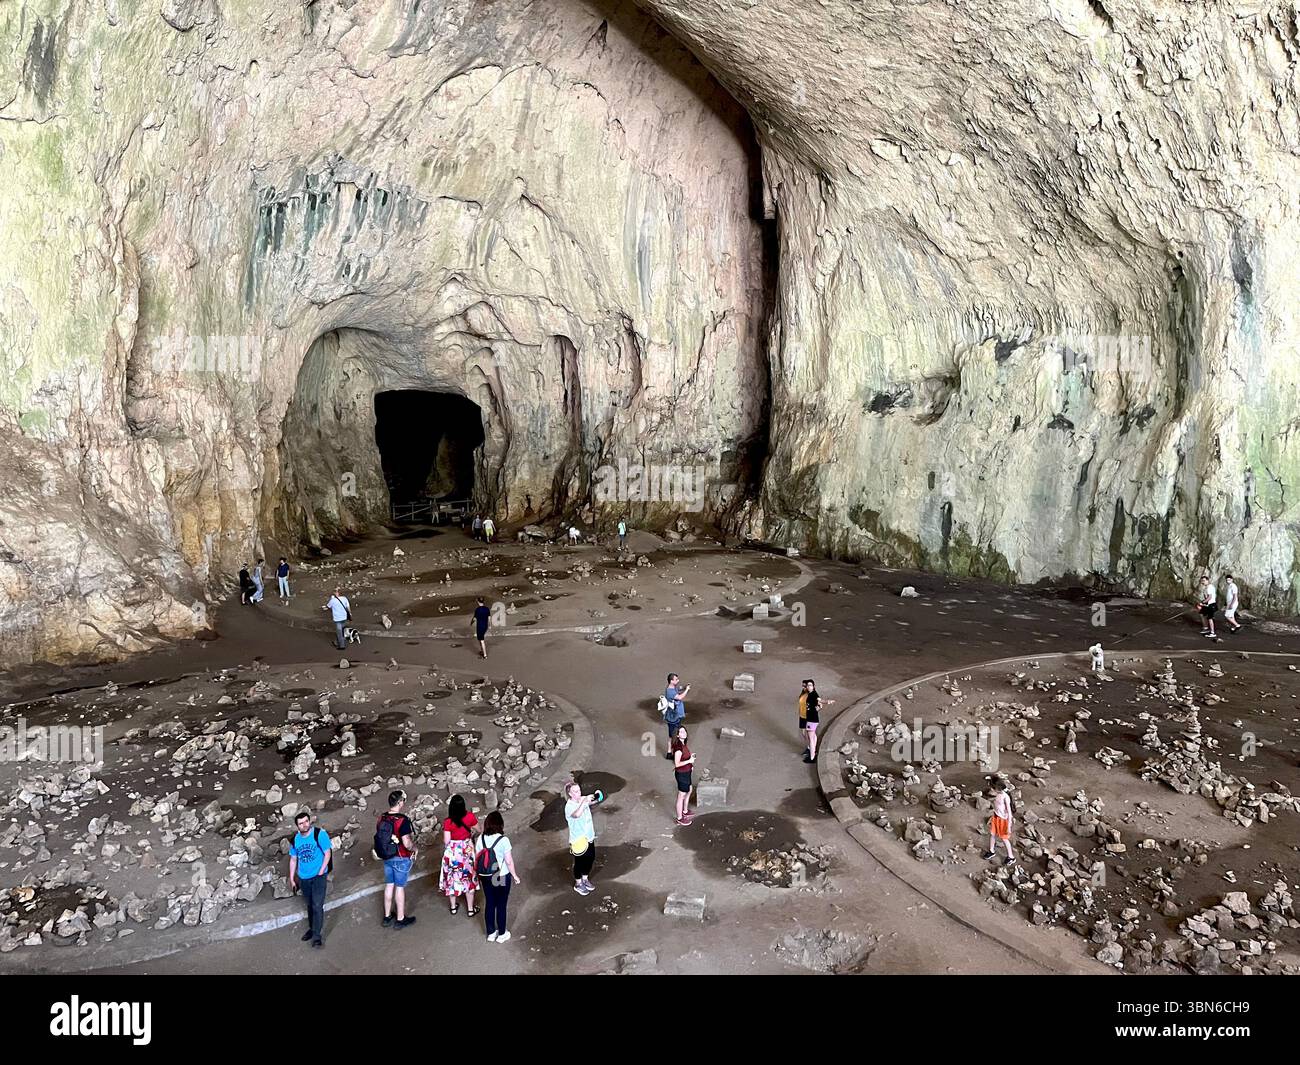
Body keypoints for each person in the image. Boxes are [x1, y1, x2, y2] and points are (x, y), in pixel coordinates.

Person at [475, 810, 522, 942]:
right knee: (501, 904)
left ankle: (491, 933)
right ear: (500, 824)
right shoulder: (503, 840)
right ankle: (502, 934)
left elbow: (477, 857)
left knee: (490, 902)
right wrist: (515, 875)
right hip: (500, 876)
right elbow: (509, 861)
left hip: (485, 875)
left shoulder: (481, 838)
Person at [288, 809, 332, 948]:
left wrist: (321, 871)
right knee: (310, 904)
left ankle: (317, 936)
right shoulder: (295, 840)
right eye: (301, 823)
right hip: (304, 877)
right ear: (297, 826)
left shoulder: (319, 834)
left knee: (317, 905)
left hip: (318, 876)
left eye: (306, 821)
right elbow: (293, 859)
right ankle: (312, 929)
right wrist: (292, 878)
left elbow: (327, 853)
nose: (305, 825)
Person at [378, 790, 417, 929]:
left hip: (387, 856)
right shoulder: (403, 820)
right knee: (399, 887)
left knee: (389, 885)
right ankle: (400, 919)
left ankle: (387, 916)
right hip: (401, 857)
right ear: (400, 802)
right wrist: (414, 849)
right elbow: (406, 842)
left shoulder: (382, 817)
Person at [438, 794, 479, 916]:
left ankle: (453, 907)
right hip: (466, 849)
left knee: (452, 878)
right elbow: (479, 829)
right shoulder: (470, 817)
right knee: (468, 878)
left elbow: (446, 841)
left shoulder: (448, 822)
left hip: (452, 852)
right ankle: (471, 909)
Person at [564, 780, 598, 895]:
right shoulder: (569, 807)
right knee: (579, 863)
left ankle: (585, 879)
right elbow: (577, 814)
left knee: (590, 858)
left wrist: (595, 797)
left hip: (589, 836)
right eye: (575, 791)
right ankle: (578, 884)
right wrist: (584, 802)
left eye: (579, 790)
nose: (578, 793)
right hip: (578, 840)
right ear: (570, 793)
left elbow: (592, 802)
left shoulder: (583, 799)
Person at [983, 779, 1015, 864]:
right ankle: (991, 851)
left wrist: (1009, 826)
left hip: (1003, 820)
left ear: (998, 788)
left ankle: (1011, 857)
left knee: (1004, 839)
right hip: (996, 817)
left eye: (993, 788)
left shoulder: (1005, 797)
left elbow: (1009, 813)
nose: (991, 790)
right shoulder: (997, 794)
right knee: (992, 834)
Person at [802, 679, 834, 763]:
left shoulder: (813, 694)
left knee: (811, 737)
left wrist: (827, 702)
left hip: (811, 719)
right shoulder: (810, 694)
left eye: (810, 685)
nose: (808, 687)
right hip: (812, 719)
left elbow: (820, 701)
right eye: (807, 685)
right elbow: (819, 704)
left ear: (813, 686)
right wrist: (819, 707)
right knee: (813, 736)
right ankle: (814, 752)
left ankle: (812, 757)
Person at [671, 724, 695, 826]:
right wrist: (689, 760)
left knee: (689, 790)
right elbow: (677, 764)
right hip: (682, 774)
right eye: (681, 732)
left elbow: (683, 758)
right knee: (681, 795)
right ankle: (680, 818)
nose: (684, 733)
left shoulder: (683, 743)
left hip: (687, 771)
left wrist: (690, 762)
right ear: (677, 735)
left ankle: (685, 811)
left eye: (684, 731)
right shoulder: (678, 748)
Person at [663, 673, 688, 759]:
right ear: (671, 681)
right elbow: (680, 697)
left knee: (672, 736)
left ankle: (669, 753)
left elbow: (678, 689)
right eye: (676, 679)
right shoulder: (670, 691)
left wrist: (684, 687)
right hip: (673, 718)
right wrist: (687, 690)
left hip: (674, 716)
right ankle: (675, 754)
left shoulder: (673, 687)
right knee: (674, 735)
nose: (678, 680)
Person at [1197, 572, 1218, 639]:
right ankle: (1206, 628)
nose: (1202, 582)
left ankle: (1212, 633)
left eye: (1204, 581)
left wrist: (1202, 602)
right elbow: (1207, 598)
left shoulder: (1209, 587)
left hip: (1211, 605)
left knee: (1210, 618)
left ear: (1207, 580)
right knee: (1202, 614)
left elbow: (1210, 597)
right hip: (1208, 604)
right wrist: (1203, 603)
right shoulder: (1207, 587)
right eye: (1202, 581)